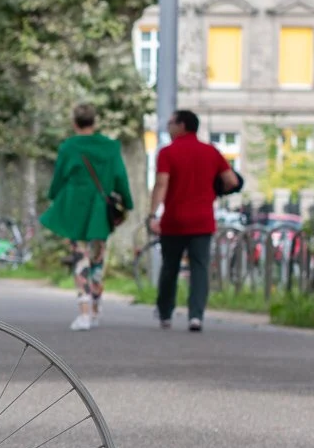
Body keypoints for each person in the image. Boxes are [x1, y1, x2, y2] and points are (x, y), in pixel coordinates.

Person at [40, 103, 133, 331]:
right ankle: (96, 307)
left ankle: (83, 311)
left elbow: (59, 177)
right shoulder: (110, 147)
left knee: (80, 258)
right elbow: (120, 176)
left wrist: (53, 196)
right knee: (98, 258)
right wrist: (127, 203)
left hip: (74, 208)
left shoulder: (69, 147)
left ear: (74, 122)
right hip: (100, 209)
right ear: (95, 121)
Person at [148, 109, 241, 331]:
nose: (168, 127)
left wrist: (153, 214)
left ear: (182, 126)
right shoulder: (211, 152)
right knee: (199, 268)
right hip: (202, 221)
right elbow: (232, 180)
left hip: (174, 221)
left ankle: (165, 313)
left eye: (171, 123)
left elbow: (162, 184)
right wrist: (216, 190)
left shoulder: (168, 153)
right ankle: (196, 315)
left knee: (170, 267)